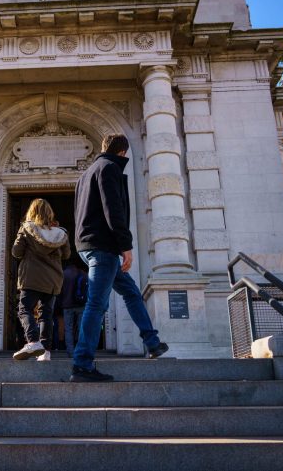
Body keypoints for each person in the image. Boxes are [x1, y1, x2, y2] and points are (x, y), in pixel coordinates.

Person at [71, 134, 169, 382]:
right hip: (104, 248)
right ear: (123, 152)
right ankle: (82, 364)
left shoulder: (85, 175)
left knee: (131, 292)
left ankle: (152, 341)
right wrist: (126, 246)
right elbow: (112, 209)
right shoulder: (110, 168)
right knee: (96, 305)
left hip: (88, 247)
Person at [12, 199, 71, 361]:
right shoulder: (60, 233)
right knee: (46, 314)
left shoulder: (26, 229)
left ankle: (33, 341)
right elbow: (66, 255)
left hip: (31, 277)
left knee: (24, 310)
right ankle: (45, 351)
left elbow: (16, 252)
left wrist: (20, 232)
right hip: (53, 279)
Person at [60, 261, 87, 358]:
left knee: (68, 329)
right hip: (81, 305)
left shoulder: (63, 274)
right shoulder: (83, 273)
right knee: (81, 328)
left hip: (67, 306)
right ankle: (81, 350)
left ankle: (70, 352)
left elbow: (60, 291)